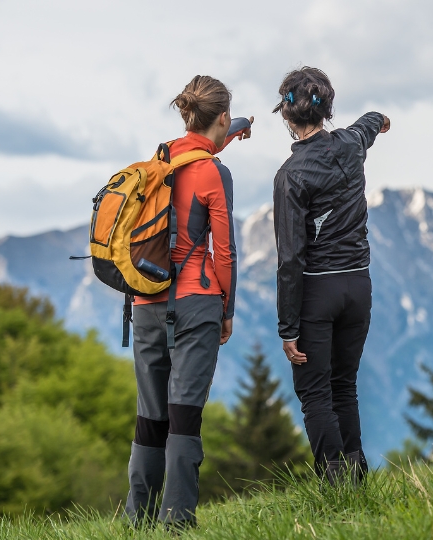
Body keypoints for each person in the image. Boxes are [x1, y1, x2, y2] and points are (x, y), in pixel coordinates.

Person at [124, 75, 252, 529]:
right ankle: (177, 522)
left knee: (150, 416)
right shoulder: (214, 172)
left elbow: (200, 147)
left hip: (144, 302)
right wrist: (228, 309)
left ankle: (136, 519)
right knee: (184, 417)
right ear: (220, 116)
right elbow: (226, 251)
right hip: (196, 303)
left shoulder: (161, 159)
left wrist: (233, 129)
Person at [272, 67, 390, 485]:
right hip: (359, 284)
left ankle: (335, 484)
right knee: (345, 385)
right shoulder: (352, 142)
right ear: (328, 108)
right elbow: (370, 122)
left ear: (287, 116)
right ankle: (357, 478)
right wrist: (381, 119)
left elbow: (290, 258)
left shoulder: (290, 175)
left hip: (318, 291)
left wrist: (288, 326)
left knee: (315, 393)